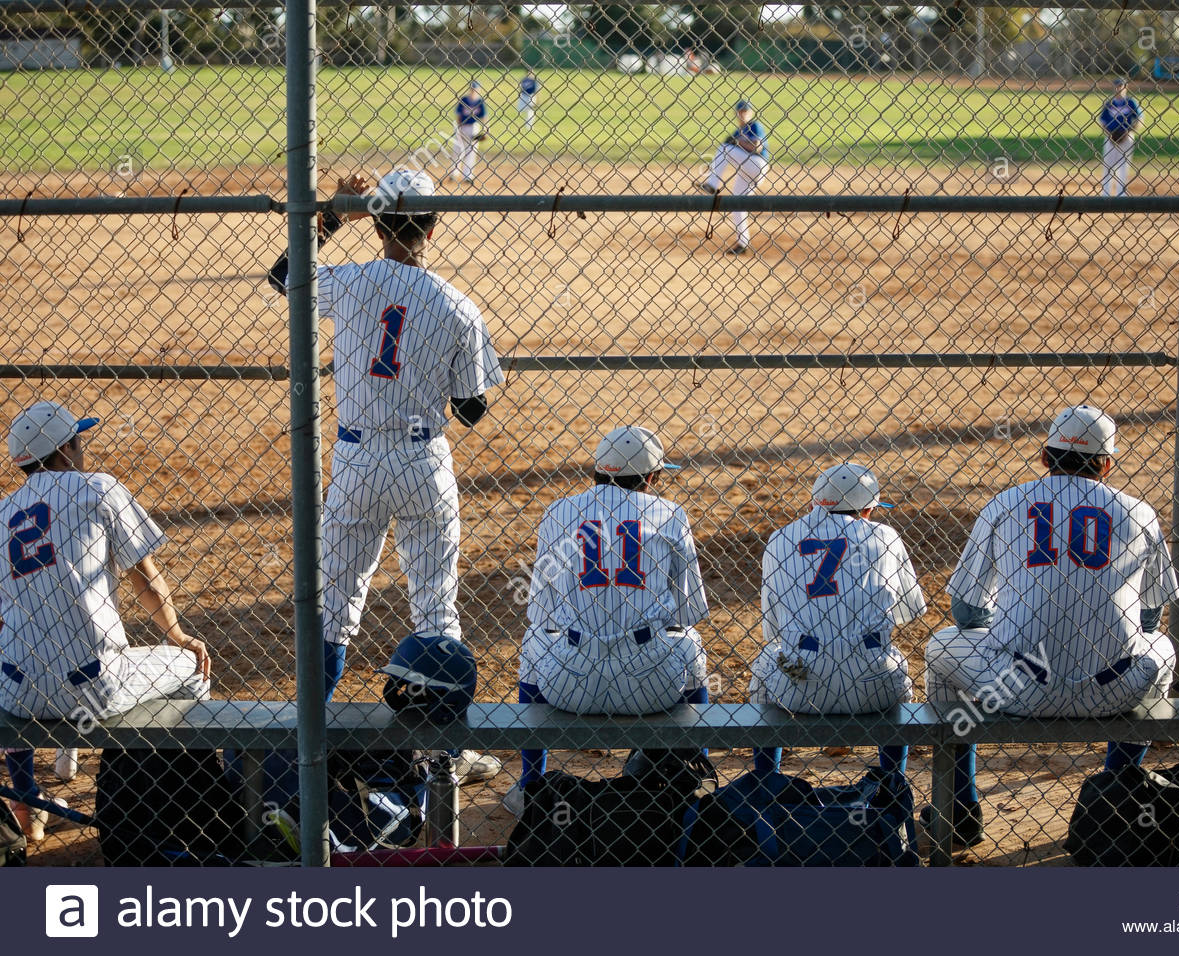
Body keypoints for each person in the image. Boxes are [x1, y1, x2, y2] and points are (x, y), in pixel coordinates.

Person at [266, 168, 504, 785]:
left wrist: (329, 217)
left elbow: (283, 277)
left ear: (377, 223)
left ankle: (306, 752)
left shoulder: (349, 283)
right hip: (424, 462)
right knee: (436, 609)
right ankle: (443, 759)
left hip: (355, 460)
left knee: (334, 605)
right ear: (433, 225)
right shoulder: (456, 303)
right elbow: (472, 410)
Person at [924, 405, 1179, 848]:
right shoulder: (1138, 512)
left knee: (941, 647)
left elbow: (965, 613)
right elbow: (1150, 616)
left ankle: (960, 808)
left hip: (1012, 687)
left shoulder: (1005, 503)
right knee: (1162, 649)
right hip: (1114, 689)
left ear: (1045, 456)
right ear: (1106, 464)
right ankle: (1113, 798)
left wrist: (1006, 633)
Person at [1, 401, 210, 839]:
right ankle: (186, 804)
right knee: (192, 669)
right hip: (92, 692)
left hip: (16, 693)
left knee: (41, 641)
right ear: (65, 450)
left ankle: (27, 796)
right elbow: (145, 578)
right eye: (78, 440)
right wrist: (177, 635)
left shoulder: (2, 515)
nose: (83, 447)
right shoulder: (98, 488)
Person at [504, 426, 710, 815]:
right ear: (651, 478)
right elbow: (688, 611)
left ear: (598, 471)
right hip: (652, 683)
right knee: (690, 641)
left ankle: (530, 784)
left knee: (534, 640)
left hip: (568, 682)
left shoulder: (558, 512)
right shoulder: (669, 514)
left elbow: (541, 612)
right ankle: (692, 776)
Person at [749, 463, 924, 780]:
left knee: (765, 662)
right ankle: (892, 786)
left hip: (801, 685)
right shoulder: (885, 536)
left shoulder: (780, 538)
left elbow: (772, 630)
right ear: (868, 509)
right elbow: (910, 613)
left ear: (814, 503)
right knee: (899, 668)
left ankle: (766, 784)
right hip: (874, 684)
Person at [697, 99, 769, 255]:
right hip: (746, 170)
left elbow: (757, 147)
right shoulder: (738, 131)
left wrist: (737, 143)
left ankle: (712, 185)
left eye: (746, 111)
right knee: (737, 203)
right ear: (737, 113)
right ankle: (742, 243)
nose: (743, 114)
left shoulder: (755, 126)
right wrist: (735, 142)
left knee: (724, 148)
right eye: (741, 111)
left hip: (757, 165)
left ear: (751, 112)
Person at [1098, 77, 1142, 197]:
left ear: (1125, 87)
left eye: (1121, 86)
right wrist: (1109, 134)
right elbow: (1102, 121)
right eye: (1117, 86)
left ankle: (1121, 193)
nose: (1119, 88)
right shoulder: (1109, 103)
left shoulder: (1131, 102)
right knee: (1108, 165)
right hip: (1110, 138)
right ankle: (1105, 193)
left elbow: (1139, 120)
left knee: (1124, 165)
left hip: (1127, 137)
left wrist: (1128, 132)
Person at [454, 80, 488, 185]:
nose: (474, 91)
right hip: (462, 126)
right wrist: (459, 128)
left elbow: (484, 117)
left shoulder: (480, 102)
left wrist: (486, 129)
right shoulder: (464, 100)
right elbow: (458, 115)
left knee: (471, 152)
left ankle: (468, 176)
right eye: (472, 89)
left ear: (479, 90)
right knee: (457, 150)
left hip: (474, 128)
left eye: (476, 89)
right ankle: (454, 174)